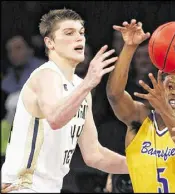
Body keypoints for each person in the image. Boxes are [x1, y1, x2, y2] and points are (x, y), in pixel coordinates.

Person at [1, 9, 128, 193]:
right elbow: (55, 119)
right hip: (21, 186)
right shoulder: (45, 75)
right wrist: (87, 84)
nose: (79, 38)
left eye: (81, 33)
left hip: (50, 188)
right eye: (69, 33)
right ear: (50, 42)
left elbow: (95, 155)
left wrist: (142, 165)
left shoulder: (79, 86)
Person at [106, 19, 175, 192]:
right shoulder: (140, 120)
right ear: (158, 89)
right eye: (170, 87)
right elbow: (114, 94)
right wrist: (129, 47)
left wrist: (164, 107)